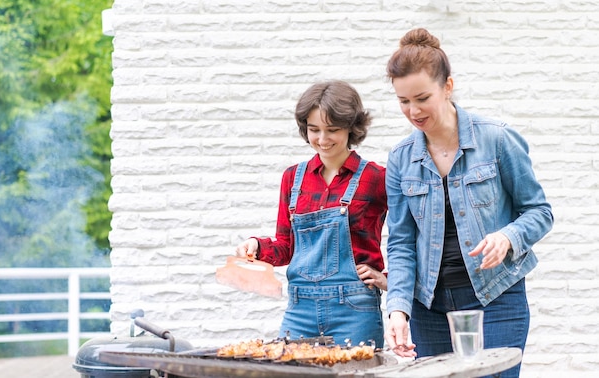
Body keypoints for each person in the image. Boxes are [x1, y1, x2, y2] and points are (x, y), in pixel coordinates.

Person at [383, 28, 554, 377]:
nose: (413, 111)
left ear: (447, 86)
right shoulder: (401, 159)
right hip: (427, 308)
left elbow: (539, 212)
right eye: (403, 101)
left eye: (421, 97)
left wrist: (508, 237)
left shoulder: (497, 139)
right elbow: (400, 243)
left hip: (495, 299)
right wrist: (397, 310)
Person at [236, 80, 388, 348]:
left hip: (355, 309)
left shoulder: (376, 178)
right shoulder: (293, 178)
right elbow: (286, 247)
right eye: (314, 129)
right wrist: (257, 247)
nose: (322, 139)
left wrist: (389, 280)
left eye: (332, 130)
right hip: (300, 311)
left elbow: (409, 236)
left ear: (352, 127)